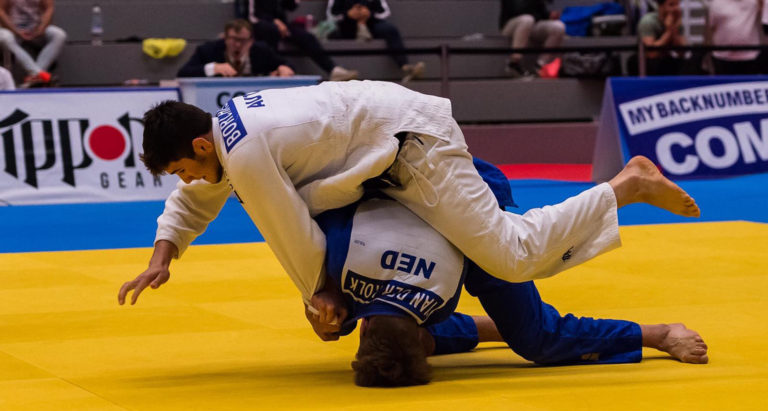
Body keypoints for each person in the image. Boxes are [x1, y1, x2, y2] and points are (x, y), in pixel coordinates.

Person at [117, 81, 700, 314]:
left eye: (181, 168)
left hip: (411, 147)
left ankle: (626, 185)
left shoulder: (241, 151)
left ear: (199, 143)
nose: (186, 180)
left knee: (511, 255)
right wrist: (163, 253)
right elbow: (203, 192)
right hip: (387, 150)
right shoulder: (226, 131)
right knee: (506, 248)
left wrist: (317, 297)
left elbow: (286, 230)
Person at [304, 160, 708, 386]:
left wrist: (318, 294)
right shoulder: (332, 275)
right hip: (423, 170)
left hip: (465, 198)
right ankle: (500, 328)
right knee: (506, 319)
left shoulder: (438, 288)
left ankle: (659, 331)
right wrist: (318, 295)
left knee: (536, 335)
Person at [243, 0, 358, 81]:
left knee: (307, 37)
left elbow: (291, 6)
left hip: (282, 26)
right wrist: (273, 21)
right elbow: (251, 16)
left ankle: (333, 69)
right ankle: (273, 72)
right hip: (258, 26)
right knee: (270, 31)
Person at [326, 0, 425, 83]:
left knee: (390, 30)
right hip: (346, 26)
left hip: (371, 24)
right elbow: (330, 15)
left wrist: (369, 14)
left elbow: (384, 12)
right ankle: (338, 71)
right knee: (331, 34)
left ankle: (406, 66)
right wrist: (348, 14)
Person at [178, 19, 294, 78]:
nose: (238, 45)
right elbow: (183, 73)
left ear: (251, 41)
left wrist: (284, 67)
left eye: (243, 41)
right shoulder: (208, 50)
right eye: (233, 39)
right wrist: (213, 68)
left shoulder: (261, 50)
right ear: (225, 38)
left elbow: (287, 64)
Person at [0, 0, 66, 86]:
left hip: (36, 28)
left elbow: (49, 9)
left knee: (59, 35)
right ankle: (38, 74)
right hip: (12, 30)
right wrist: (16, 31)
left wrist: (40, 29)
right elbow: (1, 11)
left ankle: (34, 77)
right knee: (5, 37)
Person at [499, 0, 566, 78]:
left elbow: (540, 12)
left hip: (533, 23)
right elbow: (517, 10)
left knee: (558, 27)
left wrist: (549, 15)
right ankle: (514, 63)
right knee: (527, 20)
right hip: (512, 24)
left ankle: (540, 66)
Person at [706, 0, 762, 75]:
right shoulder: (716, 4)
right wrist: (707, 54)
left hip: (751, 57)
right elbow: (710, 29)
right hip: (722, 57)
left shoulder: (754, 3)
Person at [635, 0, 689, 75]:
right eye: (671, 5)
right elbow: (652, 54)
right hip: (646, 64)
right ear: (661, 7)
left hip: (666, 61)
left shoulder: (676, 22)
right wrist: (669, 31)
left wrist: (674, 29)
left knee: (686, 65)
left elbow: (681, 52)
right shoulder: (648, 21)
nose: (676, 8)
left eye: (677, 5)